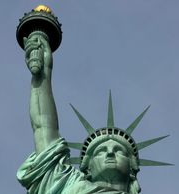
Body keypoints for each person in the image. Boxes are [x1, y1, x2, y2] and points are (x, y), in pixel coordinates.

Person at [16, 31, 141, 194]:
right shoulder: (69, 186)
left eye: (119, 151)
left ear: (133, 167)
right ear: (87, 168)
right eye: (101, 151)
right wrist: (44, 75)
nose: (110, 153)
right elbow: (43, 128)